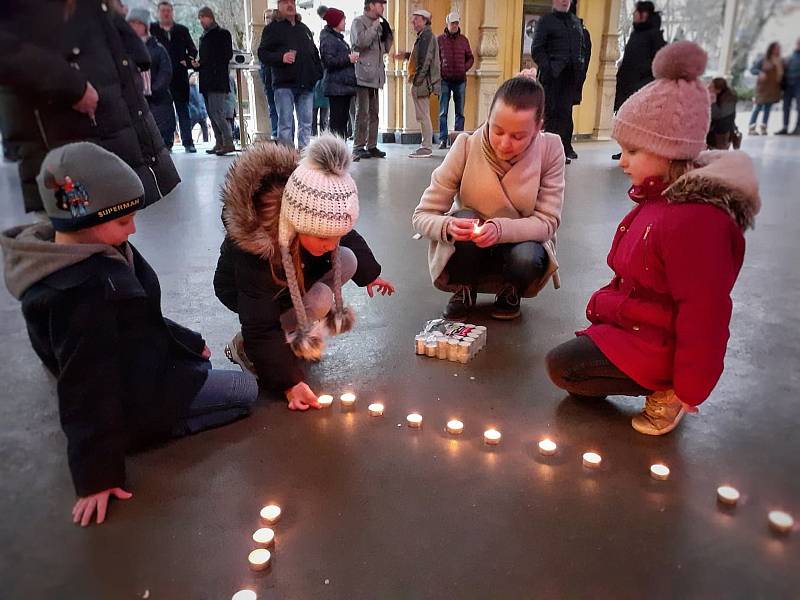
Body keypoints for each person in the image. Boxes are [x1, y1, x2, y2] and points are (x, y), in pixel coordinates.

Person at [0, 142, 259, 526]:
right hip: (136, 396)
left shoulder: (98, 250)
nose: (134, 228)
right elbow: (84, 386)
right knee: (246, 390)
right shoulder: (81, 293)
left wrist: (187, 342)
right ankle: (152, 428)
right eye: (123, 221)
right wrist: (96, 476)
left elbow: (139, 317)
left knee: (214, 377)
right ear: (82, 217)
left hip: (143, 364)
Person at [546, 42, 761, 436]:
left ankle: (667, 392)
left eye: (633, 150)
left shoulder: (695, 222)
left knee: (567, 369)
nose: (623, 161)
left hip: (662, 344)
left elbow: (705, 313)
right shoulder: (659, 200)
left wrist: (689, 386)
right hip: (640, 329)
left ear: (670, 153)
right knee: (565, 365)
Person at [213, 135, 395, 407]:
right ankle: (246, 348)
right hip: (244, 291)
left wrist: (370, 274)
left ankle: (289, 330)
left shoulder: (315, 214)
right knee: (320, 302)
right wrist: (289, 382)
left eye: (336, 234)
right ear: (297, 223)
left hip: (293, 270)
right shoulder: (257, 247)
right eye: (323, 237)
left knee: (347, 258)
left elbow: (347, 236)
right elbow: (260, 323)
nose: (331, 243)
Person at [0, 0, 179, 214]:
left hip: (111, 124)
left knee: (114, 226)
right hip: (59, 132)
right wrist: (69, 83)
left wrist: (129, 47)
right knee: (78, 233)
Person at [412, 73, 565, 320]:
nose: (504, 144)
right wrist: (448, 226)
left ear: (538, 127)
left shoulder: (551, 150)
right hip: (470, 249)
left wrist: (500, 229)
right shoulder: (465, 146)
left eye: (518, 136)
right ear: (488, 117)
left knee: (527, 256)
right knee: (464, 216)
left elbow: (548, 222)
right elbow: (421, 216)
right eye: (498, 130)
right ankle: (464, 287)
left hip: (520, 246)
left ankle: (511, 289)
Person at [258, 0, 323, 150]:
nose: (290, 5)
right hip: (284, 84)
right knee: (285, 125)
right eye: (285, 2)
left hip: (306, 84)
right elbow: (263, 53)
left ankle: (304, 158)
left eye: (292, 1)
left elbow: (314, 53)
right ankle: (286, 158)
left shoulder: (304, 29)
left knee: (306, 124)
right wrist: (281, 57)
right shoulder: (272, 29)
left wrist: (316, 74)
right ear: (279, 6)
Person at [531, 0, 587, 164]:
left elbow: (582, 48)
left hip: (570, 78)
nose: (565, 1)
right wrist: (549, 68)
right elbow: (537, 50)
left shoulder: (575, 22)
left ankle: (560, 153)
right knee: (550, 115)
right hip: (551, 78)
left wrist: (580, 69)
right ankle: (546, 154)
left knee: (565, 115)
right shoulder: (546, 21)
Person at [612, 2, 666, 160]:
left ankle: (636, 152)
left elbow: (657, 64)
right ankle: (627, 151)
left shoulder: (654, 35)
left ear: (644, 14)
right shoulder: (637, 33)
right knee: (628, 121)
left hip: (641, 87)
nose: (634, 14)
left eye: (636, 12)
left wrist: (643, 83)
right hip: (629, 86)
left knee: (638, 123)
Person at [150, 1, 199, 153]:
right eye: (163, 11)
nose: (166, 13)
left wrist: (187, 61)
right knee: (164, 112)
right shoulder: (153, 29)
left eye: (168, 11)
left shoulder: (181, 30)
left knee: (183, 110)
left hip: (179, 77)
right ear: (159, 13)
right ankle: (166, 142)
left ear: (172, 12)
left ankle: (188, 142)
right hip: (160, 78)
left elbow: (192, 50)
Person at [127, 9, 176, 150]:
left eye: (138, 23)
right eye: (132, 23)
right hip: (135, 99)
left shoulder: (158, 49)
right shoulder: (124, 49)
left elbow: (166, 72)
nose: (135, 26)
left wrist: (153, 90)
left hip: (158, 101)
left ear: (145, 26)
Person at [351, 0, 393, 161]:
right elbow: (360, 43)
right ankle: (359, 146)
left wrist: (388, 34)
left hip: (376, 75)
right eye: (380, 4)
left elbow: (386, 49)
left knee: (374, 112)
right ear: (371, 5)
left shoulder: (380, 25)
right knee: (362, 112)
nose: (383, 7)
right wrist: (374, 27)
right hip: (362, 74)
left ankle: (372, 145)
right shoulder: (358, 22)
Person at [396, 9, 441, 158]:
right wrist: (407, 56)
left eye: (416, 19)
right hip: (421, 80)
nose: (413, 22)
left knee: (423, 115)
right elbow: (420, 56)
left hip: (421, 81)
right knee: (423, 114)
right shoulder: (424, 36)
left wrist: (417, 80)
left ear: (424, 20)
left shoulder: (426, 36)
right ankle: (425, 145)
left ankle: (426, 147)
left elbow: (425, 60)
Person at [192, 7, 234, 155]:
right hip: (206, 79)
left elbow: (226, 54)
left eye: (203, 18)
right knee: (211, 113)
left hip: (217, 79)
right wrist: (198, 64)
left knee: (217, 112)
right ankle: (219, 141)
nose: (201, 21)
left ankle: (228, 141)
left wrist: (205, 62)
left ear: (210, 17)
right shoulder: (203, 37)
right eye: (200, 19)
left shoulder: (222, 34)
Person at [320, 8, 359, 139]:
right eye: (343, 19)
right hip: (336, 87)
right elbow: (328, 61)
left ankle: (341, 150)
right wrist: (348, 59)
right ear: (335, 21)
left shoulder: (339, 39)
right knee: (337, 122)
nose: (345, 22)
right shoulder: (328, 38)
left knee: (342, 122)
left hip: (344, 86)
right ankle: (335, 151)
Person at [436, 12, 474, 150]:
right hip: (444, 80)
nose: (455, 25)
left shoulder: (464, 40)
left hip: (460, 80)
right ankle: (443, 139)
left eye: (457, 23)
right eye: (452, 23)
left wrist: (464, 68)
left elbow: (470, 57)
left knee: (460, 112)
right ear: (447, 23)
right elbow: (435, 58)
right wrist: (440, 70)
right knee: (443, 112)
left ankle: (457, 140)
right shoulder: (439, 40)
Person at [748, 41, 783, 136]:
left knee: (768, 108)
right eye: (776, 48)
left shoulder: (780, 60)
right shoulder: (763, 59)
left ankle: (764, 128)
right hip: (762, 88)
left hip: (773, 88)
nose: (777, 50)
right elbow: (752, 69)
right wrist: (760, 73)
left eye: (779, 48)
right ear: (771, 49)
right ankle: (751, 128)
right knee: (758, 107)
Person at [259, 9, 281, 140]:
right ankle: (275, 134)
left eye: (269, 17)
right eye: (265, 17)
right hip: (268, 78)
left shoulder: (277, 34)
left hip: (279, 78)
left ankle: (281, 136)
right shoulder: (264, 36)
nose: (267, 20)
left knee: (281, 109)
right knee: (272, 108)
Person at [707, 77, 740, 150]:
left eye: (711, 86)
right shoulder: (720, 96)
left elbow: (717, 115)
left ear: (718, 90)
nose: (708, 87)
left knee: (719, 152)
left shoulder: (729, 99)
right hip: (714, 130)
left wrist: (713, 101)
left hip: (722, 131)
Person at [776, 37, 800, 135]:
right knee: (786, 107)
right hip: (788, 86)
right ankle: (785, 127)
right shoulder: (790, 57)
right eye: (798, 43)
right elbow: (783, 68)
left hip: (798, 85)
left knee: (799, 107)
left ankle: (798, 128)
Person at [188, 73, 209, 144]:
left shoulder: (198, 88)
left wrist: (204, 110)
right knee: (189, 128)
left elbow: (202, 100)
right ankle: (189, 142)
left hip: (201, 113)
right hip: (192, 114)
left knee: (205, 128)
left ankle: (206, 142)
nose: (194, 78)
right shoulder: (188, 89)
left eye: (195, 76)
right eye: (192, 76)